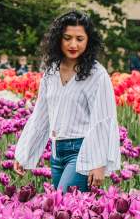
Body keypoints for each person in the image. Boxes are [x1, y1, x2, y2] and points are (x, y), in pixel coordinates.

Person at [13, 10, 121, 193]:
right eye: (67, 38)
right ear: (58, 39)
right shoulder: (51, 72)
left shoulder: (97, 75)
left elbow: (104, 119)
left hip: (81, 152)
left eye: (79, 39)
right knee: (64, 214)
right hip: (56, 153)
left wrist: (98, 163)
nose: (73, 44)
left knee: (63, 204)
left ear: (88, 41)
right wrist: (25, 153)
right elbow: (41, 115)